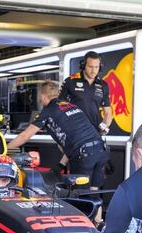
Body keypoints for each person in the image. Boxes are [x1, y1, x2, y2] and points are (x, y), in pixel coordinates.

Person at [6, 80, 107, 221]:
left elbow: (25, 135)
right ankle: (99, 229)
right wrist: (60, 165)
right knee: (94, 195)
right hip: (101, 151)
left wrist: (4, 150)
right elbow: (75, 140)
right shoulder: (72, 106)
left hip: (84, 155)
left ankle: (84, 232)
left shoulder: (49, 111)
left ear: (42, 96)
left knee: (81, 197)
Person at [60, 50, 112, 135]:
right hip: (74, 132)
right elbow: (60, 108)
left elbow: (108, 112)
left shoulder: (103, 85)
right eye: (90, 67)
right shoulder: (70, 81)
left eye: (96, 67)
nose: (93, 71)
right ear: (83, 66)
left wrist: (104, 128)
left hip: (94, 133)